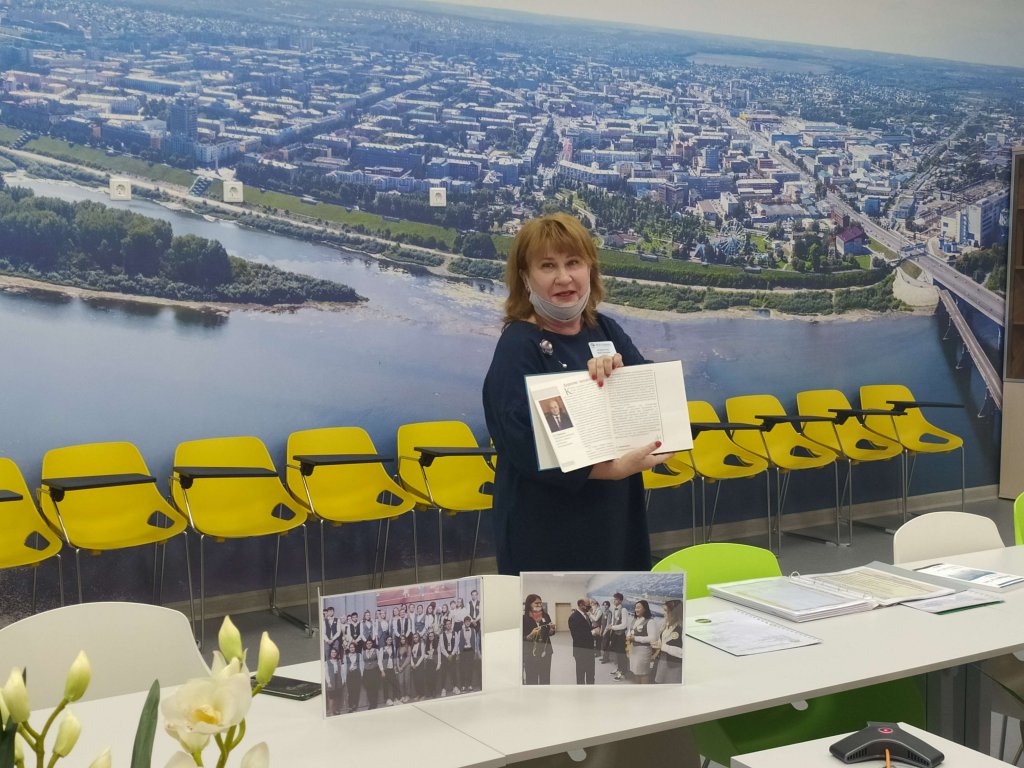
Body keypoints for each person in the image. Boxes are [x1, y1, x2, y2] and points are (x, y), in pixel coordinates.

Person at [482, 212, 666, 575]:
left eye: (573, 263)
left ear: (590, 269)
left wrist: (622, 380)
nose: (564, 278)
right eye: (548, 265)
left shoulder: (605, 329)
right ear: (525, 277)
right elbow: (521, 440)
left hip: (614, 517)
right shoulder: (519, 345)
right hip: (546, 525)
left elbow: (652, 402)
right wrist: (609, 469)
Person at [522, 593, 555, 685]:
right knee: (532, 679)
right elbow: (520, 638)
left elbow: (549, 633)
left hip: (546, 651)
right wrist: (530, 635)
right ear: (529, 604)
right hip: (531, 654)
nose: (539, 605)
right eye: (536, 603)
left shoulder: (546, 616)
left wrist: (552, 630)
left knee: (545, 678)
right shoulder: (523, 619)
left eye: (540, 603)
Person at [651, 599, 684, 684]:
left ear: (674, 612)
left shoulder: (682, 629)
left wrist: (662, 646)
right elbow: (663, 641)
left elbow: (683, 653)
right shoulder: (666, 625)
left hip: (674, 667)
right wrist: (658, 644)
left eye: (666, 611)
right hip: (662, 662)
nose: (664, 613)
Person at [568, 598, 598, 685]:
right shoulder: (573, 617)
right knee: (581, 676)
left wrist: (595, 628)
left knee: (591, 674)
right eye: (588, 605)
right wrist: (593, 632)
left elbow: (586, 628)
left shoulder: (586, 615)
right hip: (580, 651)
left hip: (589, 650)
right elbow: (577, 636)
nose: (590, 606)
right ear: (581, 605)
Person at [627, 599, 657, 685]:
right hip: (633, 650)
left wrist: (635, 638)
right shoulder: (635, 620)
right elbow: (630, 631)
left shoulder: (650, 621)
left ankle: (645, 690)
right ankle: (638, 689)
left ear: (645, 609)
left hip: (643, 651)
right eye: (635, 607)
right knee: (635, 672)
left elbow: (653, 638)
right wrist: (628, 636)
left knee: (643, 673)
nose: (636, 609)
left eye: (638, 607)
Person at [608, 592, 629, 680]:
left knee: (621, 654)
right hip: (615, 634)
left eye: (616, 599)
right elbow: (614, 621)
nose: (614, 601)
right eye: (614, 599)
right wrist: (611, 627)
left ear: (620, 600)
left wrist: (613, 627)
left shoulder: (624, 610)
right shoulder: (614, 609)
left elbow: (624, 625)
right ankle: (619, 668)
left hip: (621, 635)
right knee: (617, 653)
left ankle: (623, 672)